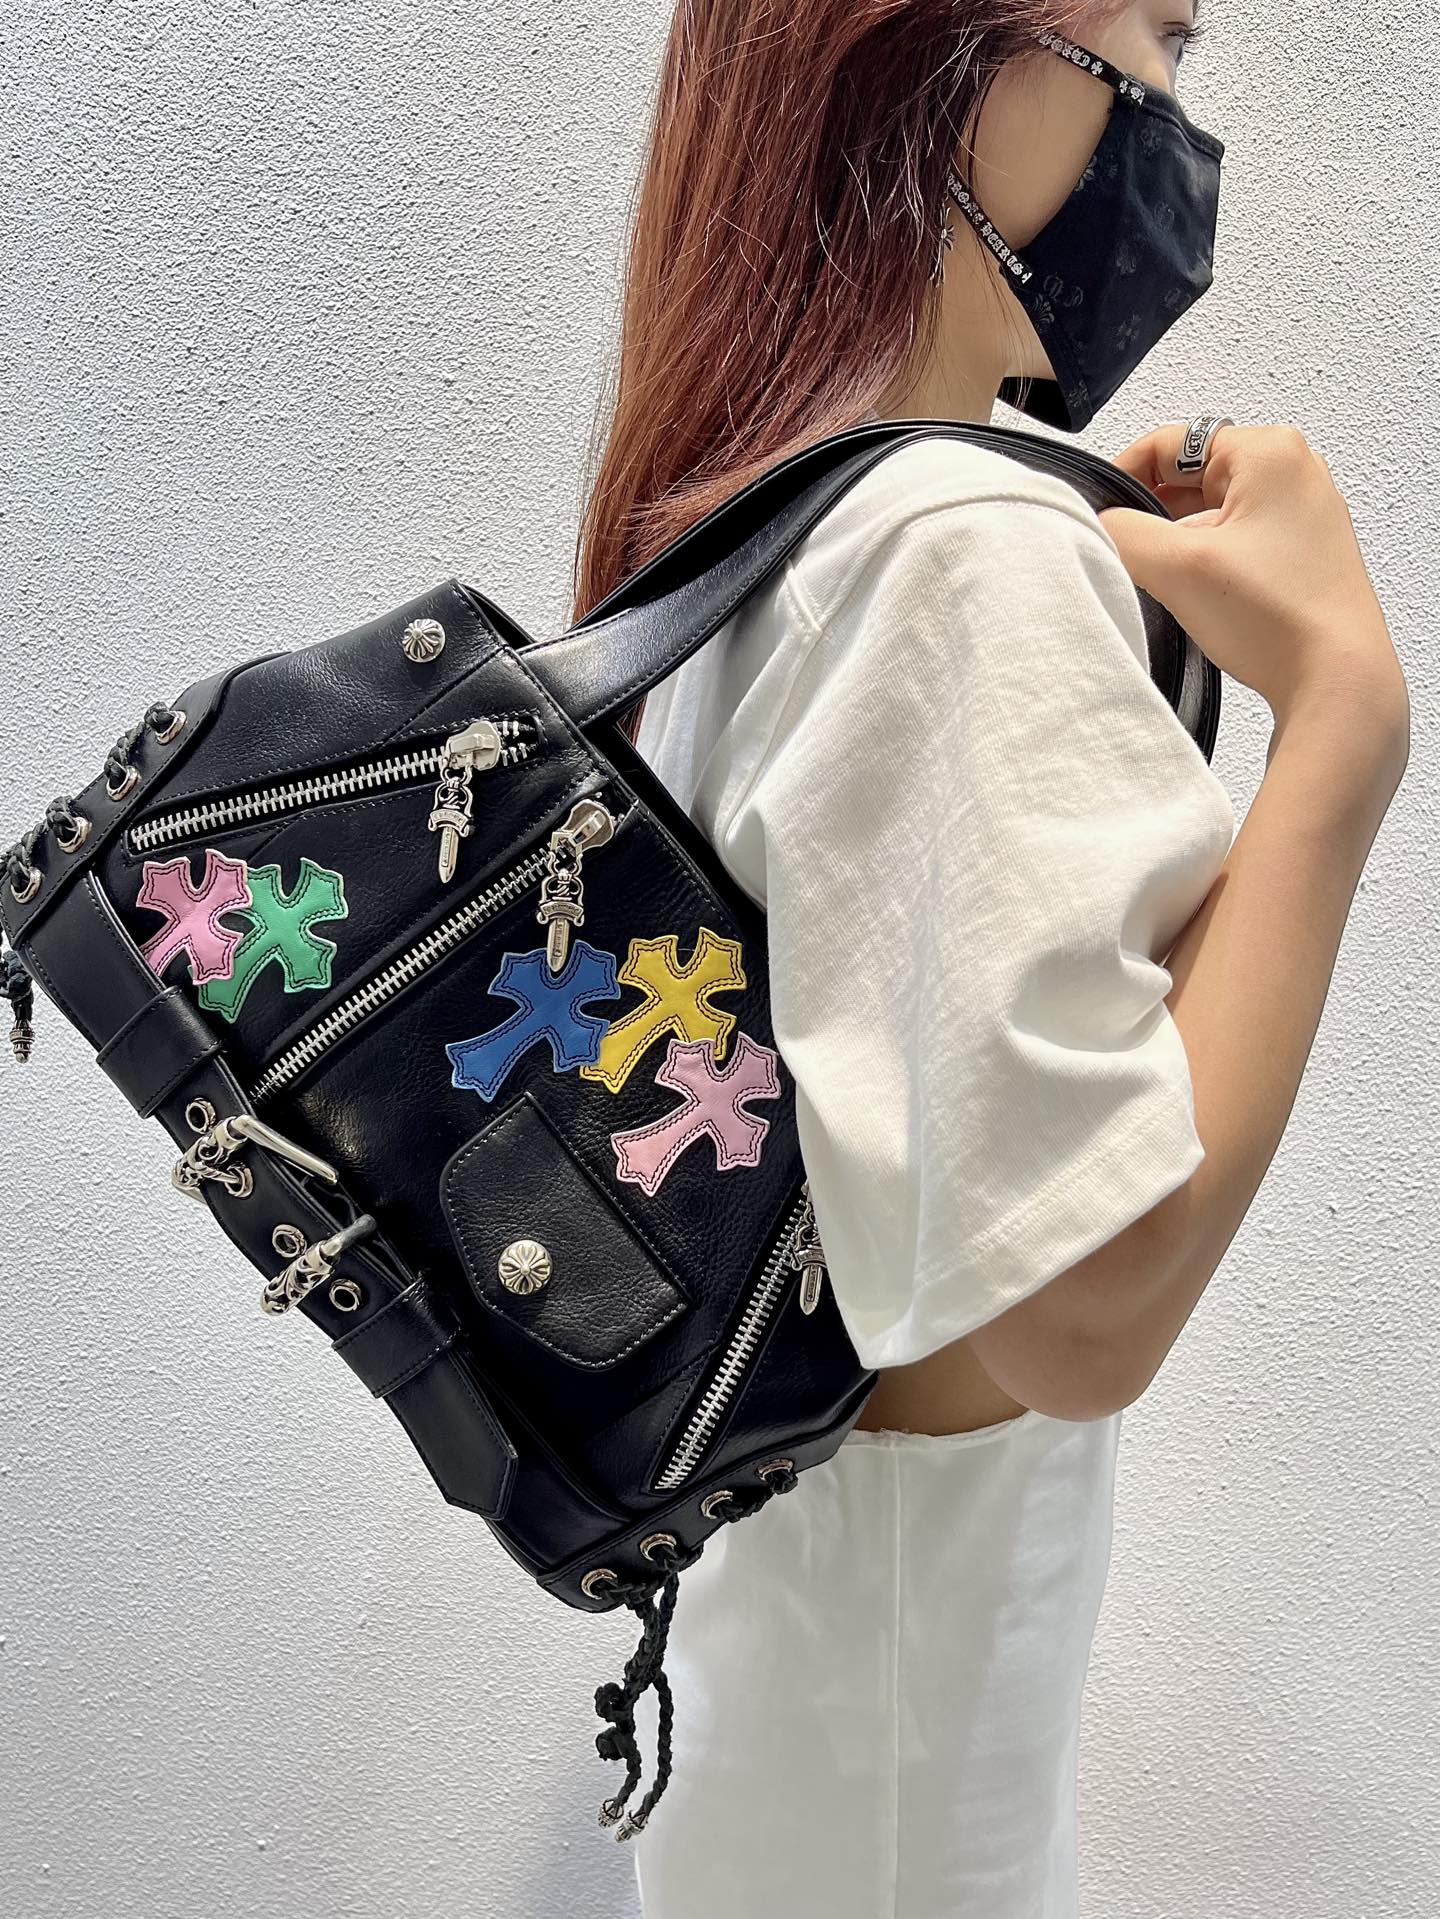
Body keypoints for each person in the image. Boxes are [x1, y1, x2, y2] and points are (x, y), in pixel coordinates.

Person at [568, 2, 1410, 1912]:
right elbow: (1082, 1305)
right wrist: (1347, 721)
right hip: (894, 1771)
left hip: (792, 1686)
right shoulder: (956, 549)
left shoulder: (758, 518)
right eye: (1161, 43)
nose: (1176, 123)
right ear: (955, 51)